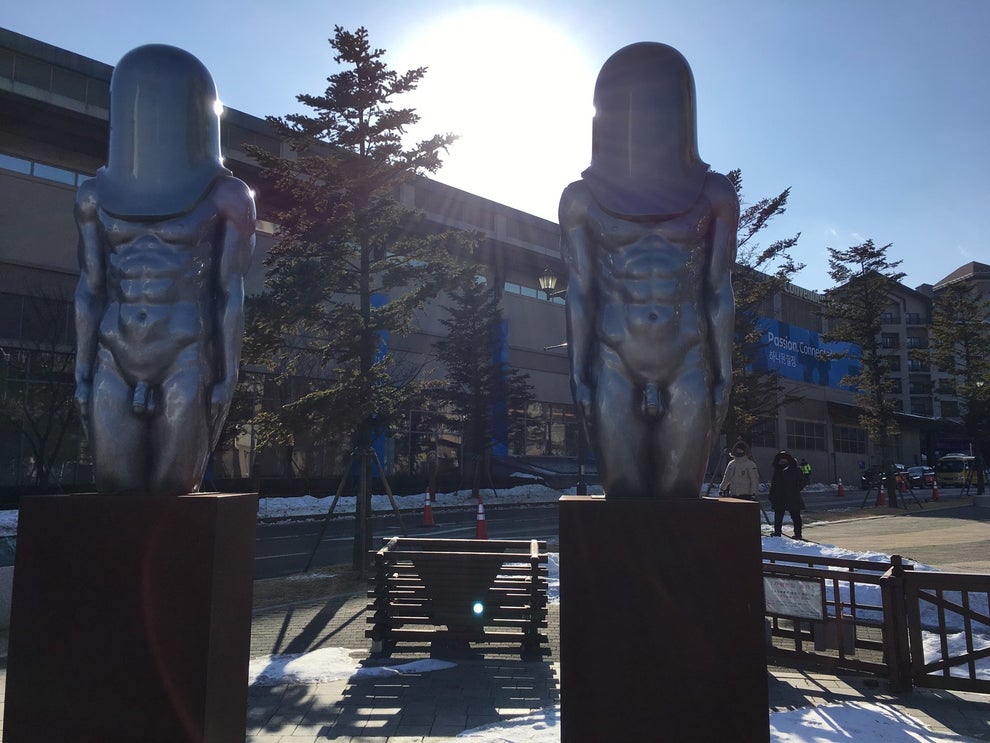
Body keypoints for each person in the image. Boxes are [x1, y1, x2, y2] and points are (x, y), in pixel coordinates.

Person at [74, 44, 256, 495]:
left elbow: (229, 290)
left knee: (175, 486)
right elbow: (90, 287)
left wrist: (228, 373)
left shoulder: (227, 197)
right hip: (113, 354)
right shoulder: (93, 197)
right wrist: (81, 369)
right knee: (114, 483)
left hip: (185, 355)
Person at [561, 42, 738, 499]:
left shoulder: (714, 194)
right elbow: (579, 289)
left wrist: (725, 370)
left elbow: (719, 287)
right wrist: (579, 373)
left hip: (688, 358)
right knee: (623, 495)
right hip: (615, 358)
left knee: (682, 496)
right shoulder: (580, 199)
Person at [770, 450, 804, 539]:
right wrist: (772, 494)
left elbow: (802, 482)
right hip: (779, 496)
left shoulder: (795, 469)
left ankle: (798, 534)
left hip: (792, 496)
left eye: (784, 460)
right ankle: (777, 533)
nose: (782, 462)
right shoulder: (777, 470)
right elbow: (774, 483)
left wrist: (795, 489)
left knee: (795, 515)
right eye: (781, 461)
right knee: (778, 516)